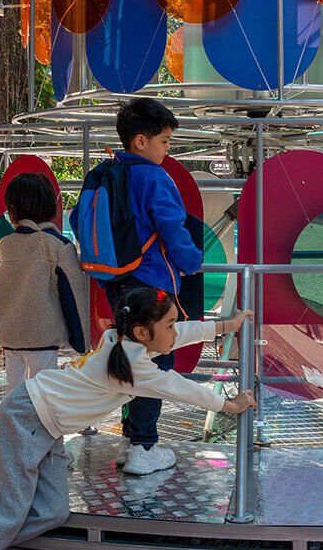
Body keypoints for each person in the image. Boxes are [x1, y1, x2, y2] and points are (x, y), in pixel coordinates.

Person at [0, 288, 255, 550]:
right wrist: (228, 404)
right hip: (25, 419)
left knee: (52, 513)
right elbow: (179, 387)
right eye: (169, 325)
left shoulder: (122, 340)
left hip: (46, 427)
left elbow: (182, 334)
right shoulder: (133, 366)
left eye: (174, 323)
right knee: (9, 514)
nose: (175, 330)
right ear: (143, 332)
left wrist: (225, 326)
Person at [72, 97, 204, 474]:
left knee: (132, 359)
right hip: (153, 285)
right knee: (156, 363)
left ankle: (130, 440)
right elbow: (172, 228)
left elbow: (77, 216)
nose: (167, 149)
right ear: (141, 141)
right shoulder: (154, 177)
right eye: (164, 141)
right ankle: (145, 447)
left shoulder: (105, 173)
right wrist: (192, 262)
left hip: (116, 283)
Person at [0, 173, 89, 393]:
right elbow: (73, 294)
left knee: (14, 389)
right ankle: (37, 426)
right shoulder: (58, 246)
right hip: (42, 336)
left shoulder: (5, 245)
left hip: (9, 334)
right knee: (43, 391)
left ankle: (11, 423)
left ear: (12, 209)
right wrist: (81, 340)